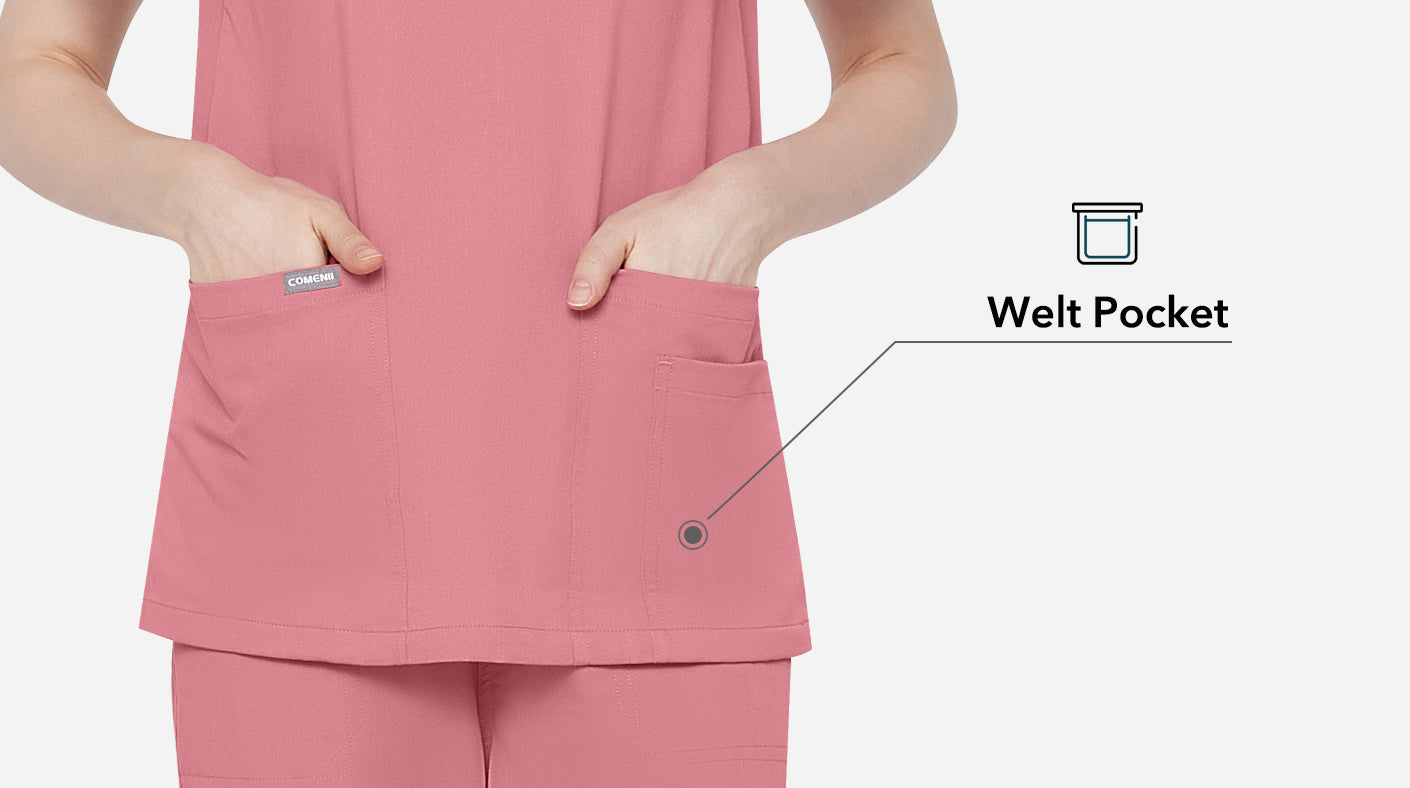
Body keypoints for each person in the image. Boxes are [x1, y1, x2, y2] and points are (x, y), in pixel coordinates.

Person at [0, 0, 956, 784]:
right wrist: (195, 197)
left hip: (643, 484)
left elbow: (898, 60)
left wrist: (748, 204)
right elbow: (33, 63)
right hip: (312, 467)